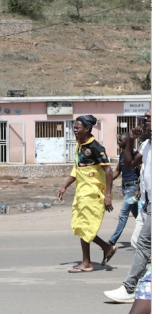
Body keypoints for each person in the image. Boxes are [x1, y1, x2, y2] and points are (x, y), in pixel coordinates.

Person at [57, 115, 116, 273]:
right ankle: (106, 248)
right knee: (79, 226)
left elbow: (109, 171)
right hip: (81, 193)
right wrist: (64, 187)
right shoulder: (79, 146)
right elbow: (76, 170)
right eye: (74, 128)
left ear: (87, 129)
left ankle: (87, 262)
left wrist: (108, 196)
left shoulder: (96, 147)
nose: (75, 130)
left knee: (85, 227)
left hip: (92, 194)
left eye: (78, 128)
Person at [104, 110, 151, 303]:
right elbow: (130, 164)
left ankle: (129, 288)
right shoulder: (147, 144)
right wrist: (131, 140)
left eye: (148, 119)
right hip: (147, 202)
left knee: (143, 244)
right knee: (140, 242)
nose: (144, 121)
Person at [108, 132, 140, 246]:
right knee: (139, 217)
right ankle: (147, 238)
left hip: (132, 189)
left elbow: (142, 171)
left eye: (121, 140)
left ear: (127, 141)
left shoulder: (135, 154)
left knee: (123, 214)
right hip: (125, 188)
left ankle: (112, 241)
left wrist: (138, 189)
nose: (118, 142)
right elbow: (117, 171)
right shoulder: (122, 155)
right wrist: (107, 179)